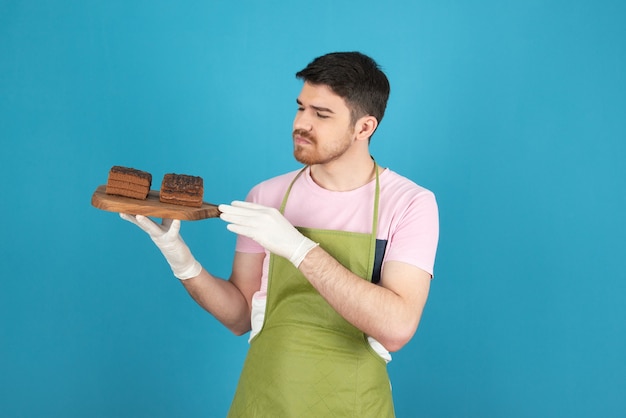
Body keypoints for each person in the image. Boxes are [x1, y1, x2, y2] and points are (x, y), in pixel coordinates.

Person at [121, 51, 439, 417]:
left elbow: (397, 327)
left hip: (351, 404)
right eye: (301, 107)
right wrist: (182, 260)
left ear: (364, 128)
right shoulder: (268, 196)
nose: (301, 123)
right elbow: (240, 316)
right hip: (263, 399)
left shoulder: (409, 204)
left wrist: (298, 248)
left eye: (321, 115)